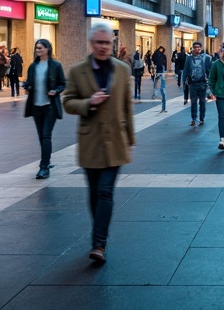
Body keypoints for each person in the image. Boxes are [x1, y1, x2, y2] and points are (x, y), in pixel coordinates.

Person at [63, 21, 135, 264]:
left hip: (116, 140)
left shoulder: (123, 69)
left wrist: (131, 138)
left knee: (105, 192)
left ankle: (99, 244)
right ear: (91, 44)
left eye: (108, 43)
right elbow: (68, 102)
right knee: (94, 193)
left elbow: (127, 105)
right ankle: (99, 233)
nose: (104, 47)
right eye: (100, 43)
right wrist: (88, 103)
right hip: (90, 142)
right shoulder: (77, 71)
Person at [24, 38, 66, 179]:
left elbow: (62, 83)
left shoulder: (55, 65)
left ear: (48, 49)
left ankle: (44, 167)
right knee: (42, 136)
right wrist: (27, 87)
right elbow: (29, 82)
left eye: (41, 48)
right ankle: (46, 161)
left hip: (50, 106)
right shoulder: (33, 66)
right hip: (36, 106)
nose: (38, 50)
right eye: (37, 48)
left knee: (46, 135)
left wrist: (56, 91)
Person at [184, 41, 212, 126]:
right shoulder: (189, 59)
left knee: (202, 102)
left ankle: (202, 118)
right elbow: (186, 72)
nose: (197, 49)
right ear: (193, 48)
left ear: (201, 48)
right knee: (193, 102)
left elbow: (210, 71)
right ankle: (194, 118)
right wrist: (185, 93)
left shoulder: (206, 58)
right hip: (193, 83)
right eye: (195, 47)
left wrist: (210, 85)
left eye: (199, 47)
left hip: (202, 83)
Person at [151, 46, 168, 112]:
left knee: (162, 87)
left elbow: (164, 62)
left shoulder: (160, 55)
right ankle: (156, 95)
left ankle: (163, 106)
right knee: (161, 87)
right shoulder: (157, 55)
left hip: (160, 71)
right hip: (159, 71)